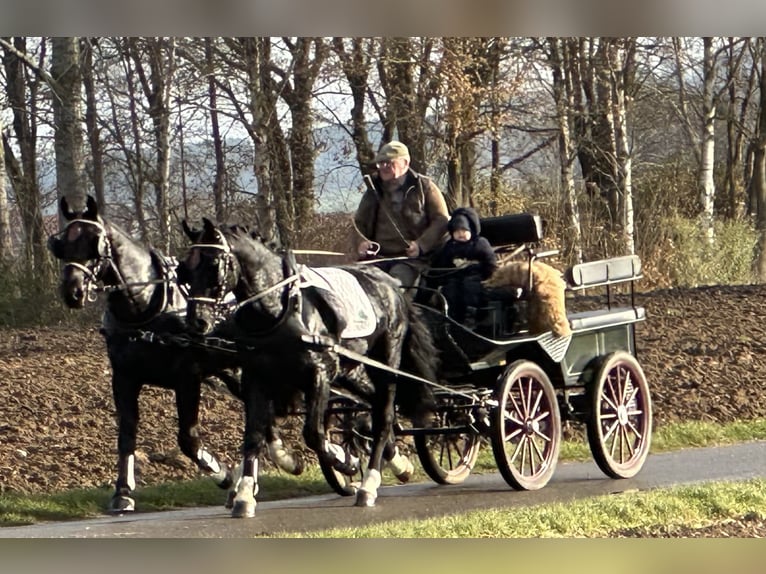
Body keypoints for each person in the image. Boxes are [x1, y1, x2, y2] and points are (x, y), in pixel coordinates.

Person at [352, 140, 449, 292]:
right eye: (380, 163)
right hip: (377, 258)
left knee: (393, 288)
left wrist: (421, 245)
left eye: (388, 163)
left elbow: (441, 220)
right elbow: (359, 224)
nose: (383, 167)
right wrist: (361, 242)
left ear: (405, 163)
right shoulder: (373, 190)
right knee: (355, 286)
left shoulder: (424, 187)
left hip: (411, 260)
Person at [429, 206, 498, 327]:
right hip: (454, 277)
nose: (460, 234)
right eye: (457, 231)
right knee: (450, 289)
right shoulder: (450, 247)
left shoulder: (480, 243)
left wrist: (490, 276)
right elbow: (441, 265)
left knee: (470, 286)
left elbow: (490, 262)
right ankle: (453, 319)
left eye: (464, 230)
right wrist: (437, 280)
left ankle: (473, 316)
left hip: (477, 277)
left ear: (471, 230)